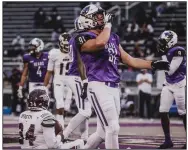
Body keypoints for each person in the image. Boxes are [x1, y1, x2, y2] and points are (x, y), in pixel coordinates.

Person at [72, 4, 170, 149]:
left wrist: (153, 64)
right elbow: (99, 43)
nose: (101, 18)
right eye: (97, 16)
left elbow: (130, 60)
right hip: (98, 85)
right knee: (112, 128)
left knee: (101, 132)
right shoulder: (83, 38)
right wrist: (108, 24)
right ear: (87, 20)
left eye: (101, 16)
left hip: (113, 87)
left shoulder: (112, 38)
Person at [18, 89, 84, 149]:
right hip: (41, 147)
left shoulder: (22, 115)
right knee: (80, 143)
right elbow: (52, 145)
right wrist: (61, 136)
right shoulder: (46, 115)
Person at [62, 17, 92, 142]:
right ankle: (64, 134)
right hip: (77, 76)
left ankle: (84, 137)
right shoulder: (80, 39)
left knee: (85, 109)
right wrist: (84, 80)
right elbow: (81, 62)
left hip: (77, 75)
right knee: (85, 111)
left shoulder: (76, 37)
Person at [156, 30, 186, 149]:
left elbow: (170, 70)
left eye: (163, 42)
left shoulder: (178, 51)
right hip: (168, 84)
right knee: (163, 111)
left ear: (171, 41)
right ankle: (168, 140)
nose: (161, 44)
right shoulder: (168, 51)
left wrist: (162, 56)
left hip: (180, 84)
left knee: (183, 113)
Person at [44, 33, 73, 129]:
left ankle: (60, 123)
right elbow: (49, 71)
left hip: (70, 82)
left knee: (66, 108)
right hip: (58, 82)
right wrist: (45, 86)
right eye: (64, 44)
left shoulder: (74, 52)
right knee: (59, 105)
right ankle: (60, 129)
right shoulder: (54, 53)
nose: (66, 47)